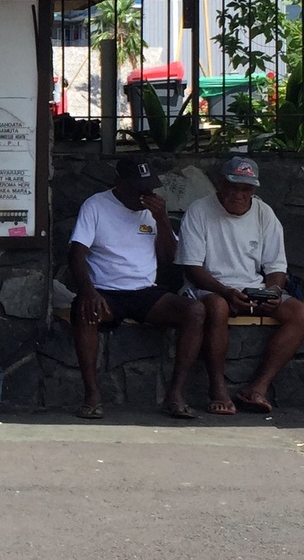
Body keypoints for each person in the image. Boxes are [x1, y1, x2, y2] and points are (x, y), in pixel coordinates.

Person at [68, 158, 206, 420]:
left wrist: (162, 220)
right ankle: (92, 394)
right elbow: (76, 253)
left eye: (150, 189)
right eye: (139, 189)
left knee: (195, 311)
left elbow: (169, 258)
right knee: (84, 310)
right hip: (105, 291)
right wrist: (88, 291)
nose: (146, 195)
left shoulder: (152, 212)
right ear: (120, 185)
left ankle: (175, 394)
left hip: (144, 292)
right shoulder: (97, 205)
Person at [176, 157, 304, 415]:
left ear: (254, 190)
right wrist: (226, 292)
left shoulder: (264, 213)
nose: (239, 195)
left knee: (302, 313)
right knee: (217, 307)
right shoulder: (199, 210)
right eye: (234, 187)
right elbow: (192, 269)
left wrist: (272, 291)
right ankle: (218, 389)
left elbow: (276, 267)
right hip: (211, 289)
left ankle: (257, 388)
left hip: (251, 289)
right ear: (220, 184)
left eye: (246, 189)